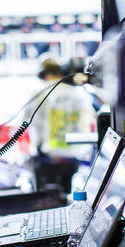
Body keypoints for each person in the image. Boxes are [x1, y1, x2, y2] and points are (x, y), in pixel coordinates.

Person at [25, 58, 96, 193]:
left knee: (46, 201)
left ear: (44, 75)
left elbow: (31, 119)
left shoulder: (41, 91)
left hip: (49, 154)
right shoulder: (81, 93)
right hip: (76, 155)